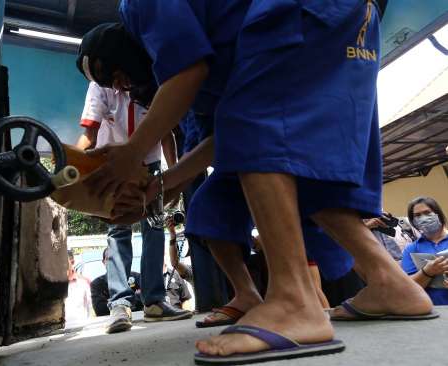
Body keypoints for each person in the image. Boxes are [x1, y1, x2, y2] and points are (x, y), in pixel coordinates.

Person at [75, 1, 434, 363]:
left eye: (118, 74)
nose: (122, 87)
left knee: (258, 130)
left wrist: (133, 151)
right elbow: (224, 138)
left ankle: (294, 302)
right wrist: (160, 186)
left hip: (300, 10)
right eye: (112, 86)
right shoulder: (217, 55)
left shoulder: (140, 6)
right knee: (300, 165)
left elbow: (192, 76)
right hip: (350, 15)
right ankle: (389, 282)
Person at [75, 81, 190, 334]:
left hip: (150, 166)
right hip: (113, 164)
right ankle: (120, 304)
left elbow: (166, 134)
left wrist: (176, 177)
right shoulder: (100, 85)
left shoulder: (150, 81)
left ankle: (155, 301)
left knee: (155, 226)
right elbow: (90, 134)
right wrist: (72, 167)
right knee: (118, 229)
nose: (119, 79)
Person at [401, 196, 448, 305]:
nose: (423, 218)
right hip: (429, 311)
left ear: (438, 214)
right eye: (417, 215)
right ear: (413, 222)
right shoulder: (411, 249)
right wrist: (427, 272)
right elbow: (408, 288)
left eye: (427, 212)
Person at [90, 248, 143, 316]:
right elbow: (100, 310)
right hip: (112, 322)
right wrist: (133, 296)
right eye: (109, 259)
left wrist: (112, 302)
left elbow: (147, 298)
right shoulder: (97, 284)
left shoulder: (136, 277)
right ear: (104, 262)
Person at [65, 250, 93, 327]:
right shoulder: (53, 285)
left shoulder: (84, 282)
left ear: (72, 262)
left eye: (64, 261)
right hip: (58, 332)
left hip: (82, 328)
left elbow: (91, 308)